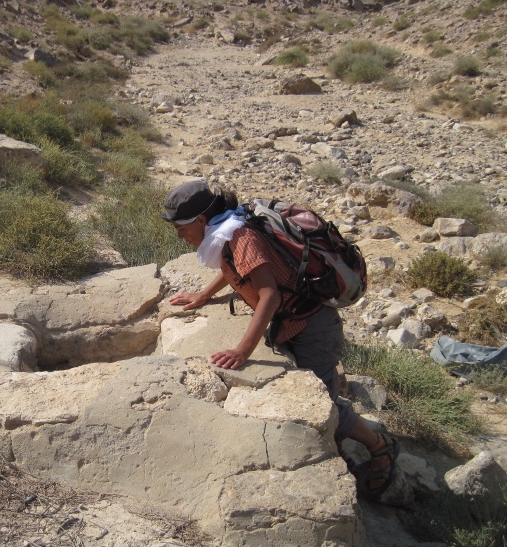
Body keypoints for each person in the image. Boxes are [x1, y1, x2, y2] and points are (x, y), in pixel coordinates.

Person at [161, 180, 399, 498]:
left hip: (312, 327)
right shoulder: (230, 227)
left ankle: (380, 445)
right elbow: (235, 267)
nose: (179, 235)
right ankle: (342, 439)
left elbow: (269, 295)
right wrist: (204, 295)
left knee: (322, 407)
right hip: (293, 324)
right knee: (318, 393)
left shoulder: (240, 235)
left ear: (201, 221)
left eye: (180, 227)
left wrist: (242, 350)